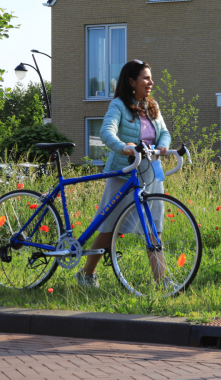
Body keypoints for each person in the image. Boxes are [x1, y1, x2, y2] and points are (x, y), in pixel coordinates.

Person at [75, 60, 171, 288]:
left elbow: (164, 132)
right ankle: (86, 273)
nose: (151, 82)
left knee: (153, 226)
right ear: (131, 81)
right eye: (146, 78)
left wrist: (164, 146)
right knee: (109, 227)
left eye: (150, 77)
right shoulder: (118, 105)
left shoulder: (152, 106)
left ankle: (162, 281)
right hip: (124, 172)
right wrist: (123, 146)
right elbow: (106, 131)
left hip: (149, 173)